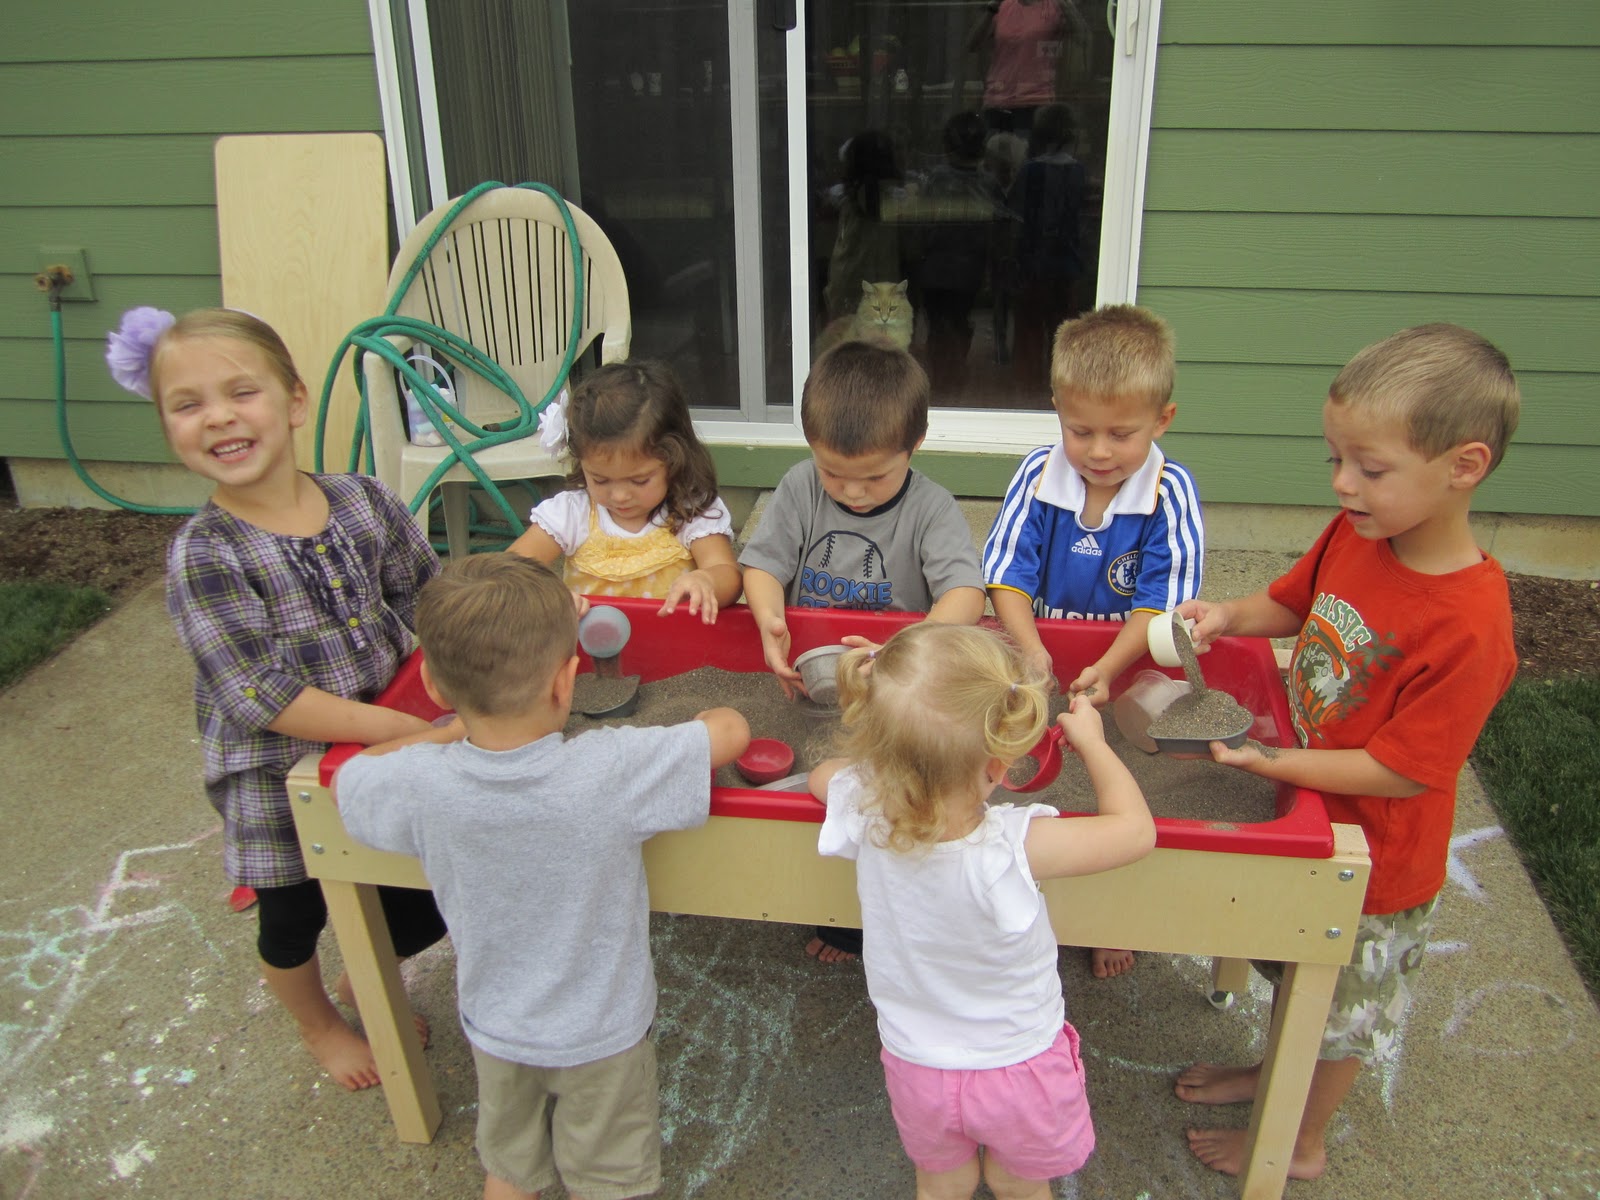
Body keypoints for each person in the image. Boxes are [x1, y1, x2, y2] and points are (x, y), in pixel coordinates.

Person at [1172, 324, 1520, 1182]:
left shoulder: (1471, 623)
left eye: (1370, 468)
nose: (1342, 484)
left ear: (1463, 466)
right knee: (1295, 980)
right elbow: (1289, 604)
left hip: (1379, 863)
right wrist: (1225, 617)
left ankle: (1301, 1140)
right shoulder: (1357, 532)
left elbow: (1404, 770)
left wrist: (1271, 763)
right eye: (1335, 459)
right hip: (1315, 803)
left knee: (1339, 1010)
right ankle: (1270, 1074)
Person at [335, 554, 750, 1200]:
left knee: (510, 1168)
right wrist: (703, 722)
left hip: (496, 1026)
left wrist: (445, 736)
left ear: (439, 691)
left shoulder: (421, 784)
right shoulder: (606, 769)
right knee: (611, 1179)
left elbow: (356, 778)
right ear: (567, 684)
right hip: (602, 1033)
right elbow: (731, 731)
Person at [107, 306, 449, 1091]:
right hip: (275, 772)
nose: (219, 416)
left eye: (240, 392)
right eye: (188, 405)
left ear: (294, 401)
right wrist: (399, 728)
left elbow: (429, 600)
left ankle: (363, 978)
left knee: (415, 896)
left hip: (394, 732)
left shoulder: (364, 500)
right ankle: (318, 1023)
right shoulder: (205, 554)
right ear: (167, 428)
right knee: (292, 916)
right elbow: (260, 693)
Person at [808, 622, 1155, 1199]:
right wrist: (1094, 742)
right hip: (1019, 1064)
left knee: (941, 1185)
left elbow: (826, 779)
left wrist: (876, 754)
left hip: (917, 1066)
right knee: (1018, 1185)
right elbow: (1134, 831)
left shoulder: (859, 809)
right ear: (998, 768)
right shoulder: (1012, 846)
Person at [740, 338, 986, 963]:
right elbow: (764, 563)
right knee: (815, 789)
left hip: (891, 684)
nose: (851, 493)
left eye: (874, 475)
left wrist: (904, 648)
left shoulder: (930, 508)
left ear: (915, 447)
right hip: (810, 678)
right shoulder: (800, 487)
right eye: (833, 473)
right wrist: (769, 616)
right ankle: (800, 888)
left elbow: (965, 593)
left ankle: (861, 919)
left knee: (887, 792)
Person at [982, 304, 1199, 978]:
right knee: (1032, 777)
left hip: (1128, 663)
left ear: (1162, 420)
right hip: (1042, 653)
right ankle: (1030, 898)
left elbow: (1159, 605)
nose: (1099, 451)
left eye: (1121, 434)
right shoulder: (1038, 477)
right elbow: (1006, 574)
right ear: (1057, 412)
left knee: (1123, 782)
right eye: (1080, 431)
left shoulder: (1170, 492)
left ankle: (1110, 913)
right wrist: (1032, 649)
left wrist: (1106, 666)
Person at [507, 360, 741, 623]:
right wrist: (548, 596)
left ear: (674, 460)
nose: (619, 496)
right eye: (600, 480)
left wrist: (707, 579)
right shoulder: (573, 513)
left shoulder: (690, 511)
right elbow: (511, 570)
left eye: (639, 481)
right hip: (588, 651)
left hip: (674, 651)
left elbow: (728, 575)